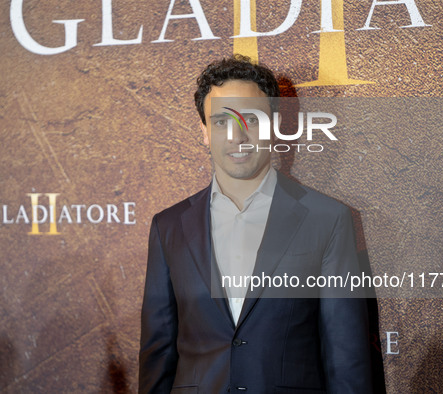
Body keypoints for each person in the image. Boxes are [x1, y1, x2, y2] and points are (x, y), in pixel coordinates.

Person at [139, 54, 373, 393]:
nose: (236, 136)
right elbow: (157, 353)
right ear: (204, 132)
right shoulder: (168, 227)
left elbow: (346, 357)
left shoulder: (328, 220)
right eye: (221, 121)